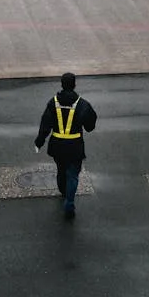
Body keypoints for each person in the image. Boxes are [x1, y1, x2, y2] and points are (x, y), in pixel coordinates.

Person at [34, 72, 97, 220]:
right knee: (73, 174)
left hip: (57, 146)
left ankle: (63, 192)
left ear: (61, 85)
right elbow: (90, 126)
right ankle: (69, 202)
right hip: (75, 146)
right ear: (74, 85)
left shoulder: (53, 102)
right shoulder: (82, 104)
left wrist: (39, 142)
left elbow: (45, 125)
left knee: (61, 170)